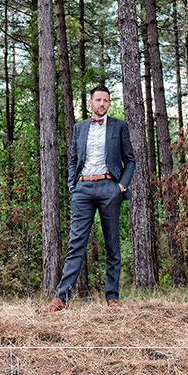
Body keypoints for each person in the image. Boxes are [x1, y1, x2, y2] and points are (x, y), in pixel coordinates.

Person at [40, 83, 135, 311]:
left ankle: (112, 297)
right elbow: (74, 159)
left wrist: (121, 186)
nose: (102, 104)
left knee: (112, 244)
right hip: (83, 189)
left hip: (109, 187)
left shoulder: (119, 126)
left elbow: (130, 159)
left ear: (109, 103)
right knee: (76, 244)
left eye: (106, 100)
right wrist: (73, 184)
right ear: (90, 102)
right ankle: (61, 298)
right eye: (98, 100)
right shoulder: (80, 127)